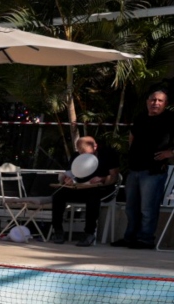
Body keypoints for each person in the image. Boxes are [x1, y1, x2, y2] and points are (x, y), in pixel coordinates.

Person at [111, 89, 171, 249]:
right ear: (147, 102)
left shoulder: (170, 120)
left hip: (153, 172)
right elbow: (132, 137)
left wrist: (170, 153)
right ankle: (130, 238)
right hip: (134, 169)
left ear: (165, 104)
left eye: (160, 101)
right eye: (153, 100)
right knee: (131, 207)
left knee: (148, 208)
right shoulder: (140, 118)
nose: (155, 103)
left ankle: (145, 239)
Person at [49, 134, 120, 247]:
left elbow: (114, 177)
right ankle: (58, 230)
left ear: (95, 147)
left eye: (86, 153)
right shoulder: (76, 156)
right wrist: (67, 179)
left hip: (102, 189)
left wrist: (102, 178)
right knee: (58, 194)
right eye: (81, 153)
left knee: (93, 197)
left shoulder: (108, 154)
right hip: (81, 187)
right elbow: (70, 173)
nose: (83, 156)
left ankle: (89, 233)